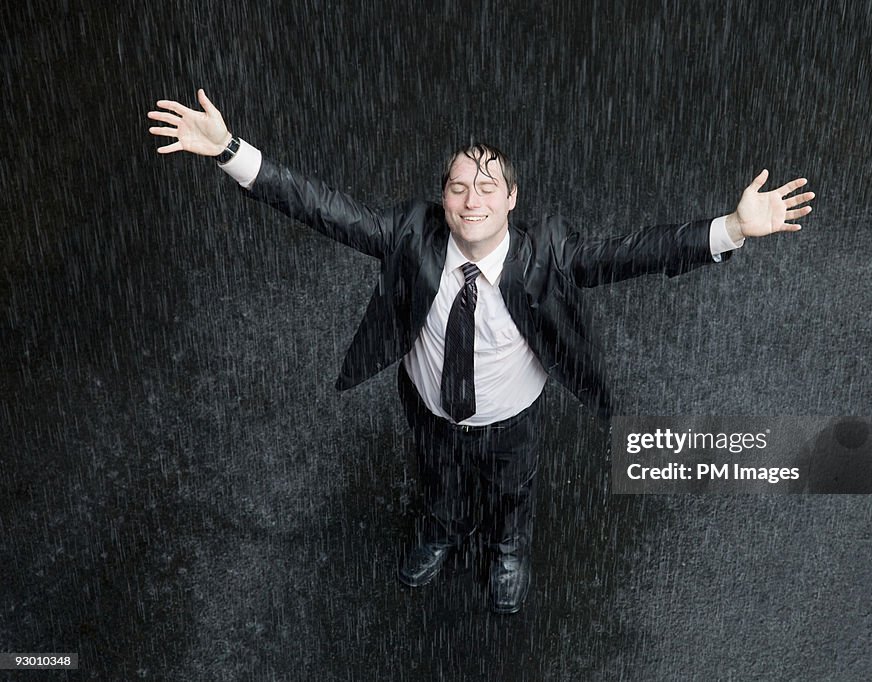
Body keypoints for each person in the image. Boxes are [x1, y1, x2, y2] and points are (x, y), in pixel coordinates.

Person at [147, 89, 815, 614]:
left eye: (487, 186)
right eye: (459, 186)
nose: (472, 198)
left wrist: (732, 228)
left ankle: (507, 550)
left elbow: (639, 251)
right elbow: (322, 206)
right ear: (444, 198)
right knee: (436, 478)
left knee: (512, 488)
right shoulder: (411, 236)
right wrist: (230, 148)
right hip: (428, 405)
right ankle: (438, 531)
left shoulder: (546, 252)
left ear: (512, 200)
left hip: (513, 415)